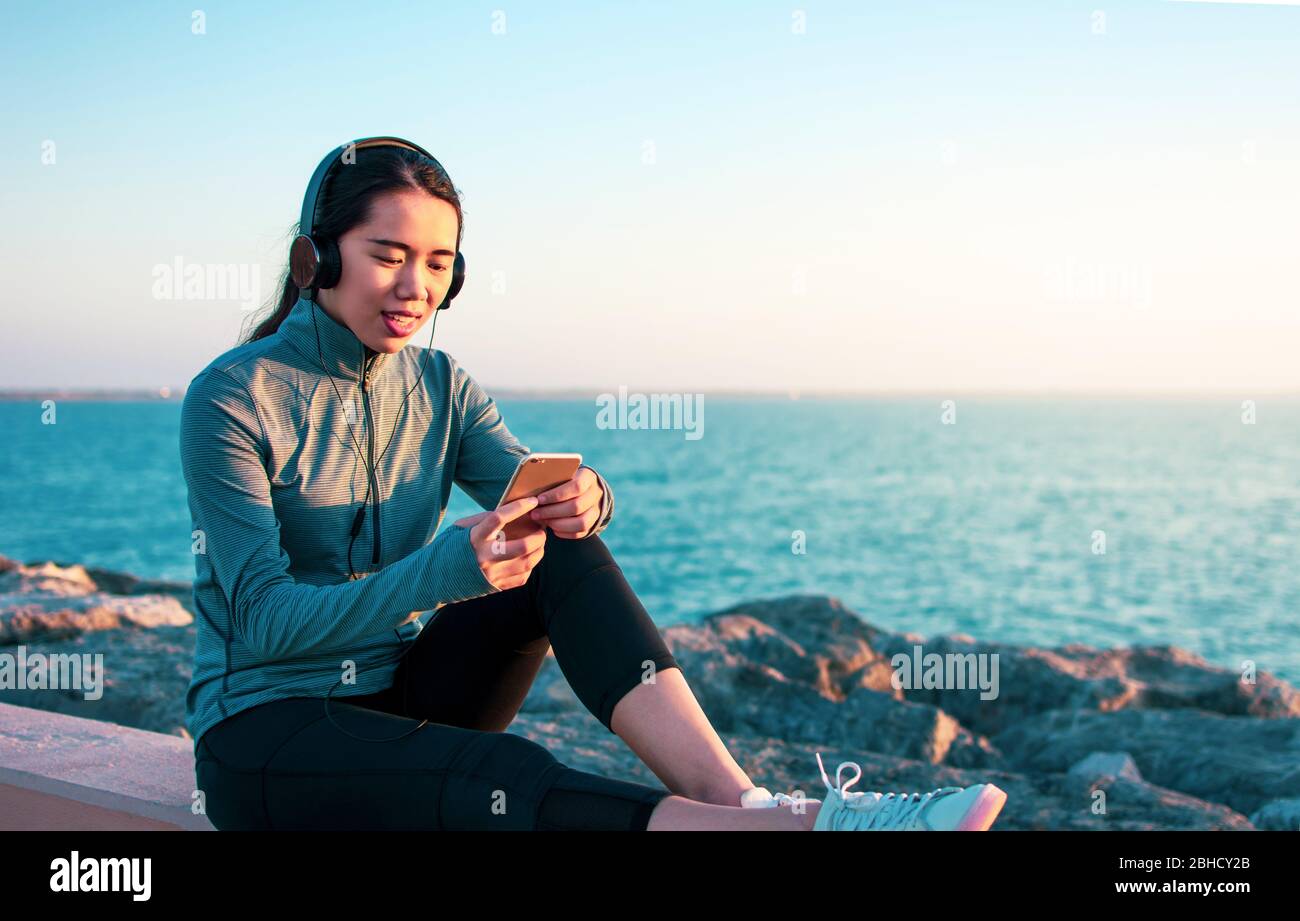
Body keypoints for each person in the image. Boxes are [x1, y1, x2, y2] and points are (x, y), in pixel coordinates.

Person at [180, 140, 1007, 831]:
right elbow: (261, 623)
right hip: (266, 734)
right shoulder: (233, 396)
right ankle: (773, 831)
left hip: (397, 699)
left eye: (438, 264)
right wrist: (441, 570)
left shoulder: (440, 383)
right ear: (315, 257)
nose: (415, 288)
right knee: (498, 773)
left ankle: (740, 799)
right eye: (388, 256)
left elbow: (541, 485)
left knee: (564, 551)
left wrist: (587, 495)